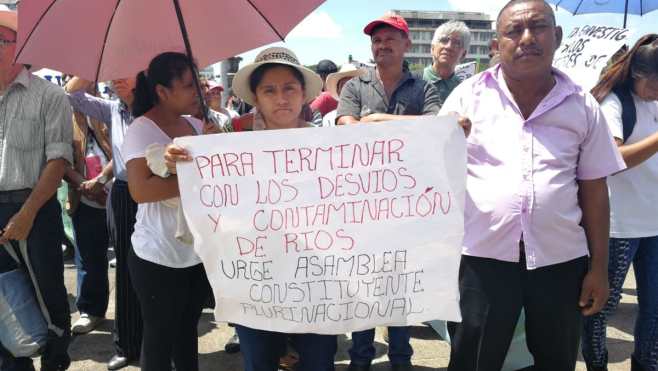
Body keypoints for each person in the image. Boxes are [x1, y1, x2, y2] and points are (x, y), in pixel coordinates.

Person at [440, 1, 626, 370]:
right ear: (497, 44)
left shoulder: (582, 105)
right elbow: (430, 171)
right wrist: (444, 140)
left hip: (560, 260)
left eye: (538, 27)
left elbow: (594, 190)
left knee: (556, 359)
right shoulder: (466, 97)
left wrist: (599, 268)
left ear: (556, 36)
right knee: (473, 359)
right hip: (483, 258)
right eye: (514, 30)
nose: (527, 38)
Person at [164, 46, 335, 371]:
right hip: (252, 275)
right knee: (259, 361)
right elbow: (202, 181)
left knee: (318, 360)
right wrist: (179, 161)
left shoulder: (327, 142)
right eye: (269, 90)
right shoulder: (232, 135)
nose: (281, 98)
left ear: (303, 94)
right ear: (255, 96)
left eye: (289, 88)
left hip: (315, 276)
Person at [334, 13, 440, 371]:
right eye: (376, 40)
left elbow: (435, 129)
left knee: (399, 292)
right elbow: (346, 126)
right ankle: (360, 361)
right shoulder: (354, 85)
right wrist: (402, 130)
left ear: (406, 44)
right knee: (361, 289)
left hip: (407, 212)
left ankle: (400, 361)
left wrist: (377, 121)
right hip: (360, 211)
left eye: (390, 39)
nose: (382, 46)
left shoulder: (423, 88)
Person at [123, 52, 211, 371]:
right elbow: (141, 190)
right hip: (156, 255)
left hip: (195, 251)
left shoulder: (197, 125)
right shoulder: (141, 129)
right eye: (189, 85)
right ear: (162, 91)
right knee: (160, 336)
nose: (197, 91)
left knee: (187, 332)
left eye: (197, 83)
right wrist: (195, 175)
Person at [0, 9, 73, 371]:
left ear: (19, 47)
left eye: (1, 39)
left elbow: (57, 161)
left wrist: (27, 213)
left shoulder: (50, 95)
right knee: (5, 300)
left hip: (35, 208)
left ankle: (56, 359)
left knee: (48, 299)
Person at [582, 34, 658, 371]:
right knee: (602, 309)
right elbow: (611, 159)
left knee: (654, 309)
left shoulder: (654, 102)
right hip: (619, 227)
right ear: (636, 75)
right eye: (655, 83)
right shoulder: (613, 103)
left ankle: (645, 364)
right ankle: (597, 365)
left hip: (654, 224)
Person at [66, 76, 143, 370]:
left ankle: (160, 342)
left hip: (159, 192)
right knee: (125, 269)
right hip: (124, 194)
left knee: (158, 273)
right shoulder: (112, 109)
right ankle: (127, 344)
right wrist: (89, 69)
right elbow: (73, 95)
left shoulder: (159, 107)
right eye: (113, 73)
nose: (117, 79)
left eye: (125, 72)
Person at [63, 82, 113, 336]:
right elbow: (60, 159)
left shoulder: (112, 110)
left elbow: (124, 151)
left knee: (128, 258)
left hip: (117, 193)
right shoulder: (64, 115)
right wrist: (84, 184)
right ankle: (90, 311)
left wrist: (103, 180)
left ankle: (133, 313)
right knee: (89, 259)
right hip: (83, 196)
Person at [423, 21, 471, 106]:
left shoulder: (464, 90)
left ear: (463, 54)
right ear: (432, 48)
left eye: (457, 43)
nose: (449, 47)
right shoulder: (413, 81)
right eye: (444, 40)